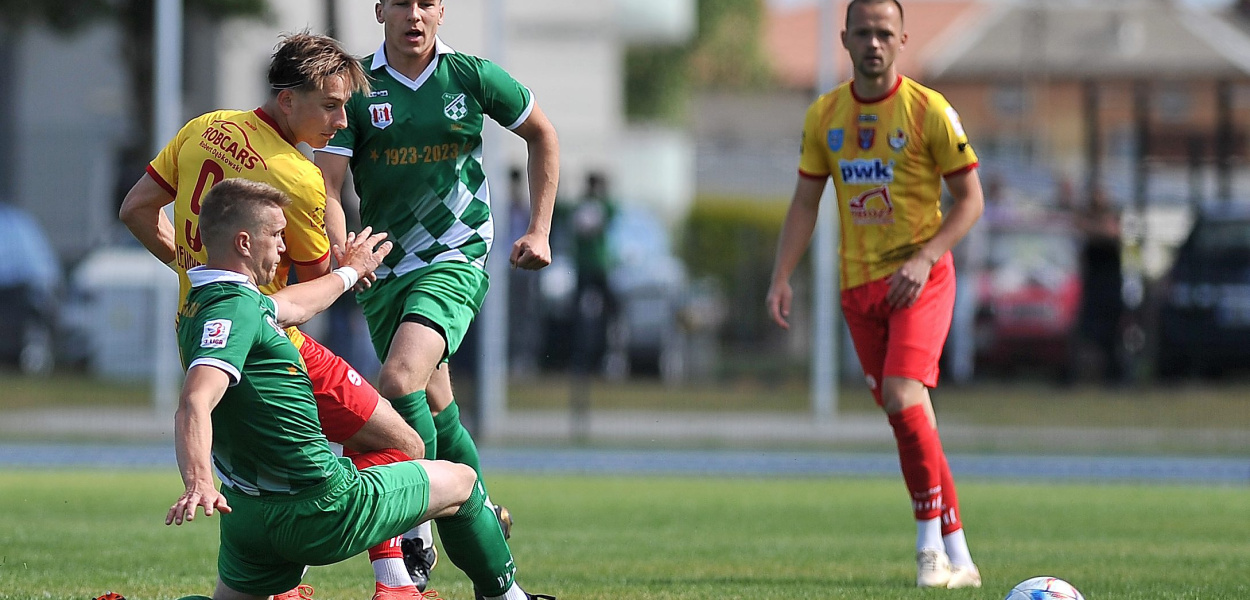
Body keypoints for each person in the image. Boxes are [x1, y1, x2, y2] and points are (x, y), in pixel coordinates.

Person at [118, 33, 436, 598]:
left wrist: (197, 272)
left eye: (345, 105)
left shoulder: (204, 126)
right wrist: (348, 269)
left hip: (200, 331)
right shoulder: (296, 176)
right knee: (402, 444)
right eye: (330, 105)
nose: (342, 121)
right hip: (273, 345)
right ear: (287, 99)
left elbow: (136, 209)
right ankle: (396, 583)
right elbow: (310, 292)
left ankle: (296, 584)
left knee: (264, 485)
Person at [167, 179, 549, 600]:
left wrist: (350, 271)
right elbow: (195, 399)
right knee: (462, 481)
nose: (282, 247)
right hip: (319, 508)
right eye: (275, 235)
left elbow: (296, 304)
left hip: (248, 520)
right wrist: (198, 480)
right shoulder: (235, 310)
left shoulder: (204, 303)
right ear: (244, 242)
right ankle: (502, 595)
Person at [314, 0, 559, 585]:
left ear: (442, 12)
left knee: (399, 380)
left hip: (456, 255)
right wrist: (344, 254)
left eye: (427, 3)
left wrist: (540, 229)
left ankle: (416, 529)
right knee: (436, 403)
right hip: (382, 268)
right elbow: (328, 185)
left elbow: (543, 135)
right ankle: (483, 514)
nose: (414, 15)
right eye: (402, 2)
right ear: (380, 10)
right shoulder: (357, 89)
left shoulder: (471, 76)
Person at [764, 0, 984, 589]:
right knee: (910, 418)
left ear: (903, 39)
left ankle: (929, 549)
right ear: (845, 39)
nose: (874, 43)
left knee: (902, 396)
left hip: (920, 280)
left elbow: (971, 201)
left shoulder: (929, 111)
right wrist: (781, 275)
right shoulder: (825, 116)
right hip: (858, 288)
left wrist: (925, 257)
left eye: (884, 33)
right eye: (863, 33)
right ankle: (961, 556)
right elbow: (805, 202)